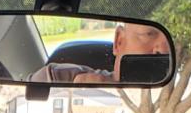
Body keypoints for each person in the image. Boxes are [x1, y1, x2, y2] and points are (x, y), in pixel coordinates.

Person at [29, 21, 171, 84]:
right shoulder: (59, 77)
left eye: (172, 41)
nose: (164, 50)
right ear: (119, 41)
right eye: (149, 34)